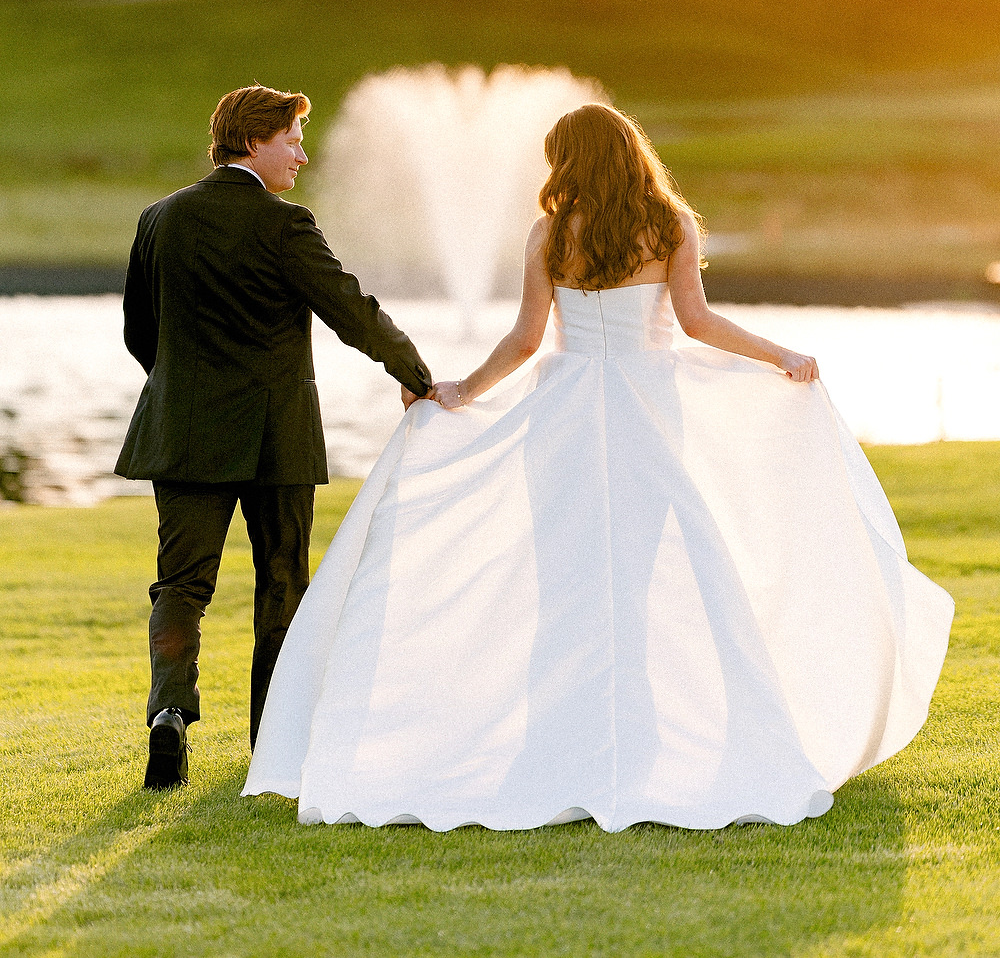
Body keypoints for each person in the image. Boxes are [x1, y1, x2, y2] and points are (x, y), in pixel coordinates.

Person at [243, 103, 953, 832]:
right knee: (641, 587)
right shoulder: (671, 224)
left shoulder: (551, 233)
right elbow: (697, 324)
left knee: (563, 587)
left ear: (569, 162)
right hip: (651, 414)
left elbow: (524, 342)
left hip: (563, 418)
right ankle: (639, 751)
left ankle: (555, 752)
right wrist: (781, 356)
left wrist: (460, 391)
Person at [116, 85, 432, 791]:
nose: (303, 153)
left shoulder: (158, 219)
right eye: (292, 138)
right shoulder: (285, 224)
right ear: (255, 140)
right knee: (282, 583)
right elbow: (349, 308)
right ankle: (274, 744)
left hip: (185, 432)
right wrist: (415, 371)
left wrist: (183, 392)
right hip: (275, 436)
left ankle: (169, 713)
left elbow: (142, 332)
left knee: (181, 584)